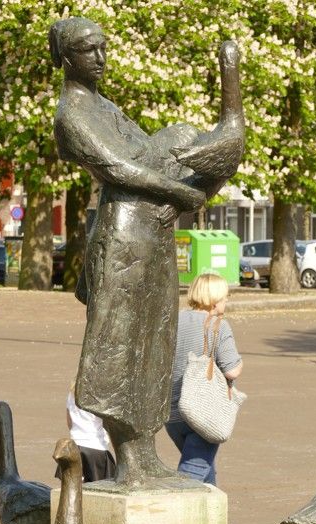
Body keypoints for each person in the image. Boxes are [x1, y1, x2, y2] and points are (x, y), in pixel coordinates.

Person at [49, 17, 242, 486]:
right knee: (120, 348)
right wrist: (182, 193)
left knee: (154, 343)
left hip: (151, 233)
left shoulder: (106, 106)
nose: (99, 57)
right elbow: (119, 168)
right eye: (87, 49)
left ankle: (144, 452)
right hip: (122, 238)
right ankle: (130, 458)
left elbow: (146, 152)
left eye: (102, 47)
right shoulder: (72, 114)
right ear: (65, 58)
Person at [165, 273, 243, 486]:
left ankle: (214, 518)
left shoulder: (173, 320)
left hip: (172, 414)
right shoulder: (218, 325)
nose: (226, 301)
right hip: (203, 414)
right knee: (189, 479)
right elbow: (232, 371)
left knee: (205, 473)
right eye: (225, 297)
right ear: (215, 299)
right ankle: (172, 517)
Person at [66, 381, 116, 482]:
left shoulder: (72, 394)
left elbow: (69, 422)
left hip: (75, 446)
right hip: (96, 448)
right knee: (100, 490)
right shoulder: (101, 396)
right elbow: (109, 424)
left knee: (75, 488)